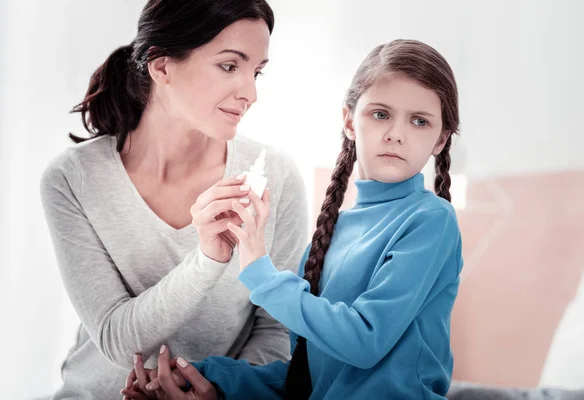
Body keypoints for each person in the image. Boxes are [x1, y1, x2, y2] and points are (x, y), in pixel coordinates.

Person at [122, 38, 463, 400]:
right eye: (380, 114)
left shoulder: (432, 221)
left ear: (440, 141)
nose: (396, 133)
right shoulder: (330, 234)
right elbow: (304, 379)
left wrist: (259, 267)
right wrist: (199, 377)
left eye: (419, 121)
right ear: (349, 121)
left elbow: (365, 341)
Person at [40, 0, 309, 398]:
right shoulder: (72, 179)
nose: (250, 92)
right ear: (162, 65)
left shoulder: (277, 177)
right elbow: (116, 338)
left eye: (257, 72)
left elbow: (277, 327)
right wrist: (209, 258)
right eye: (230, 66)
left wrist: (219, 389)